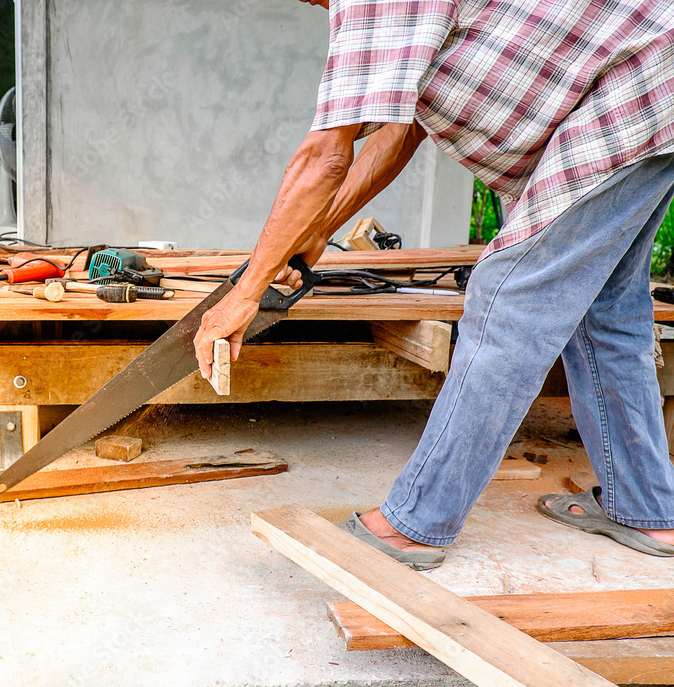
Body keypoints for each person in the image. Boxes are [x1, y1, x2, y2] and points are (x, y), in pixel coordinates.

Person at [193, 0, 674, 568]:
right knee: (605, 311)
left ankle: (415, 525)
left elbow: (325, 155)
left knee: (510, 300)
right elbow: (403, 132)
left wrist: (244, 294)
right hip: (654, 86)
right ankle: (649, 512)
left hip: (639, 91)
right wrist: (319, 228)